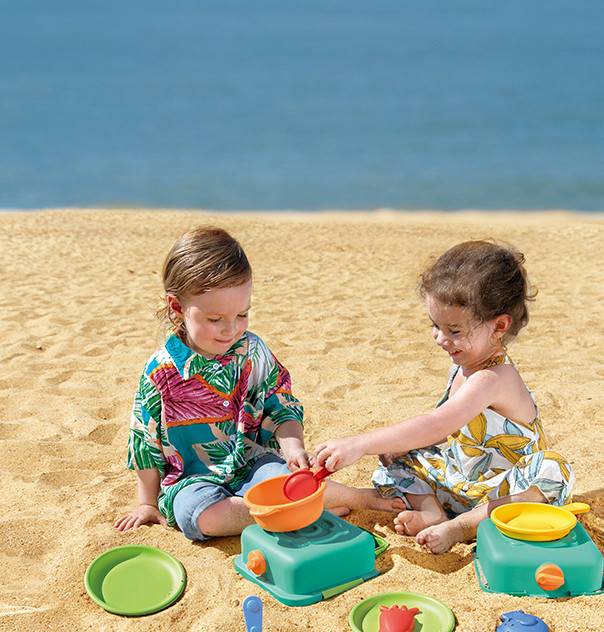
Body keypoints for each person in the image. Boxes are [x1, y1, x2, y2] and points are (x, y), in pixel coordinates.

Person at [115, 226, 400, 540]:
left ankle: (359, 498)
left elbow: (282, 404)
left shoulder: (252, 351)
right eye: (215, 319)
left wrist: (292, 448)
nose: (231, 329)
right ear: (178, 308)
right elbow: (144, 443)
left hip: (253, 462)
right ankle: (295, 513)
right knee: (196, 517)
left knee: (289, 480)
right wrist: (146, 503)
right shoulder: (160, 373)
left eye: (242, 314)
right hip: (192, 480)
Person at [316, 239, 574, 554]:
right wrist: (402, 447)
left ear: (499, 326)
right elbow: (452, 437)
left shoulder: (494, 378)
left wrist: (360, 443)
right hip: (462, 481)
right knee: (398, 458)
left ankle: (462, 526)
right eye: (435, 325)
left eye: (453, 330)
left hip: (504, 490)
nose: (440, 338)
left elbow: (438, 423)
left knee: (553, 469)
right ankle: (432, 513)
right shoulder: (466, 365)